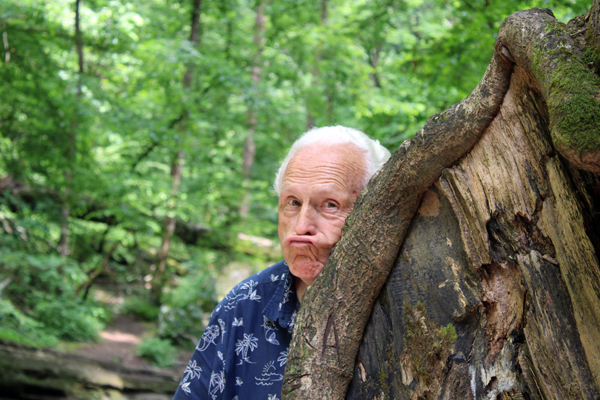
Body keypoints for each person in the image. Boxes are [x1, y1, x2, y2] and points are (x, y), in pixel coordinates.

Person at [173, 126, 391, 400]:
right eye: (293, 202)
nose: (302, 226)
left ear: (376, 213)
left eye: (330, 205)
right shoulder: (242, 306)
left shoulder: (412, 303)